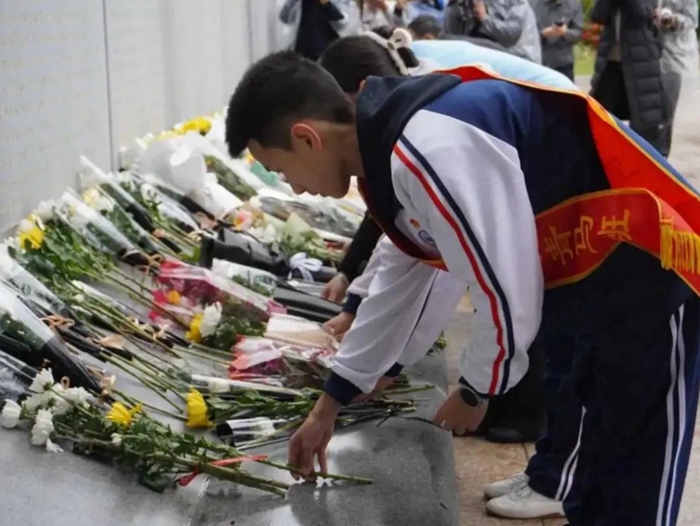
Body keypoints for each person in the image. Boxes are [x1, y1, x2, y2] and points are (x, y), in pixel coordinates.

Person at [225, 49, 700, 525]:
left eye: (282, 171)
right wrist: (331, 403)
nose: (293, 188)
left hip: (648, 268)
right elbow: (403, 278)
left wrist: (477, 390)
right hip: (591, 276)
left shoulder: (429, 146)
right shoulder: (390, 147)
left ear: (306, 138)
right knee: (596, 466)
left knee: (634, 469)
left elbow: (503, 282)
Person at [588, 0, 671, 156]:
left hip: (640, 64)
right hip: (610, 63)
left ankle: (644, 161)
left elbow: (641, 14)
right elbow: (597, 16)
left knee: (645, 121)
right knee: (601, 117)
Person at [656, 0, 699, 154]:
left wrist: (672, 20)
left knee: (665, 111)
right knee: (645, 112)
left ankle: (660, 155)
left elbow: (691, 21)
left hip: (673, 58)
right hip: (647, 52)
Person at [443, 0, 543, 62]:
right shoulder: (460, 4)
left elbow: (511, 36)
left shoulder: (516, 2)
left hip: (518, 60)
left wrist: (484, 18)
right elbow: (450, 37)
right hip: (477, 59)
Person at [279, 0, 360, 60]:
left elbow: (342, 24)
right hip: (301, 51)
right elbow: (285, 18)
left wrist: (327, 4)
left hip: (328, 52)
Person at [532, 0, 584, 81]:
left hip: (564, 62)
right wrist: (543, 34)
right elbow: (525, 33)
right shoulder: (531, 4)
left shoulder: (574, 4)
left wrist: (565, 33)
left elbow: (578, 32)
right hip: (538, 61)